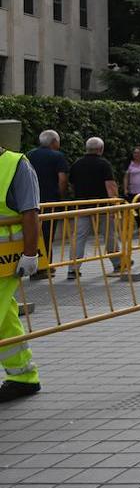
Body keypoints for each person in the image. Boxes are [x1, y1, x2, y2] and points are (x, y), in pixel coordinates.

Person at [0, 142, 44, 402]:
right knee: (5, 317)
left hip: (5, 259)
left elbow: (30, 212)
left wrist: (30, 253)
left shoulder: (17, 164)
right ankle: (23, 377)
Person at [68, 137, 119, 277]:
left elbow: (72, 185)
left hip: (82, 206)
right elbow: (110, 186)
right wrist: (115, 205)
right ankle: (118, 263)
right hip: (102, 207)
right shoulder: (104, 164)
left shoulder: (77, 164)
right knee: (109, 235)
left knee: (78, 237)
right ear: (100, 149)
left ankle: (73, 269)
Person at [26, 130, 68, 277]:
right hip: (50, 201)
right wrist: (60, 195)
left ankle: (35, 265)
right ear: (54, 142)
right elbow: (62, 179)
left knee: (33, 233)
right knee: (47, 234)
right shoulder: (58, 156)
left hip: (31, 201)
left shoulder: (29, 155)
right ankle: (44, 266)